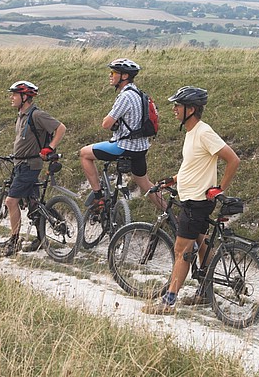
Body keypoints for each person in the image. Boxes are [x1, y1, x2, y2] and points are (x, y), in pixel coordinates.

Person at [142, 86, 240, 315]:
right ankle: (205, 293)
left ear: (191, 109)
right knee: (201, 243)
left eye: (178, 105)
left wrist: (219, 189)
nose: (174, 109)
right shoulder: (192, 132)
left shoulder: (204, 132)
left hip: (197, 201)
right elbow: (195, 165)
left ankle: (168, 302)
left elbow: (233, 160)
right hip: (190, 198)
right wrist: (174, 179)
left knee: (181, 251)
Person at [79, 58, 163, 211]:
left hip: (124, 146)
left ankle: (98, 197)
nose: (110, 75)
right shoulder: (138, 93)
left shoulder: (125, 96)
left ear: (124, 76)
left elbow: (106, 124)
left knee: (84, 153)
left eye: (113, 72)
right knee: (145, 183)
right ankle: (170, 214)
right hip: (141, 147)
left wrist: (111, 122)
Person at [2, 81, 67, 256]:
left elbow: (61, 128)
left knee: (11, 201)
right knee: (33, 204)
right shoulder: (21, 115)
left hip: (29, 165)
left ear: (25, 97)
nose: (11, 97)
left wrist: (50, 147)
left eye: (14, 94)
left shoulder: (36, 114)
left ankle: (14, 241)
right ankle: (40, 238)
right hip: (20, 163)